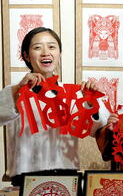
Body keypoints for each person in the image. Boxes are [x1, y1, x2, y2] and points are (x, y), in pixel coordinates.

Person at [0, 27, 108, 186]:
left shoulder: (75, 93)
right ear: (26, 56)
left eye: (51, 47)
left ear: (59, 54)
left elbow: (99, 127)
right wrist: (18, 91)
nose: (45, 52)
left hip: (66, 178)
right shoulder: (15, 91)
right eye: (37, 47)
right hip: (25, 181)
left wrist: (92, 102)